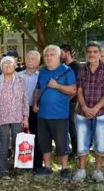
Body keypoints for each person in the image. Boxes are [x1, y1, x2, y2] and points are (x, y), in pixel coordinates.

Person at [73, 43, 104, 183]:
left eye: (95, 52)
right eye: (89, 52)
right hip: (82, 112)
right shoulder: (81, 70)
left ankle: (98, 171)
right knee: (82, 143)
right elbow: (79, 90)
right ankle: (81, 171)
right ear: (87, 54)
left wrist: (96, 108)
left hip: (102, 112)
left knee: (101, 143)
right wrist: (84, 107)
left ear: (99, 53)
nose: (92, 54)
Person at [32, 45, 76, 179]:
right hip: (42, 114)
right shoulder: (42, 72)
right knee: (44, 142)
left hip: (60, 114)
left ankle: (64, 168)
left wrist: (57, 86)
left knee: (62, 142)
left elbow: (74, 90)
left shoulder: (67, 71)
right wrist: (35, 103)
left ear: (58, 56)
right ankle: (47, 167)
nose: (49, 57)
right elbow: (38, 89)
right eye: (46, 55)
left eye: (52, 55)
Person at [0, 56, 29, 179]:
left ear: (15, 66)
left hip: (18, 117)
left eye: (10, 63)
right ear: (1, 67)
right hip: (1, 118)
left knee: (17, 143)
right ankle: (3, 170)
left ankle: (18, 168)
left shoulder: (21, 80)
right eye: (5, 63)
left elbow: (25, 99)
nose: (8, 65)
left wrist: (25, 117)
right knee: (2, 144)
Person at [17, 51, 42, 171]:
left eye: (33, 59)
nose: (30, 61)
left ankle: (37, 164)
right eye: (28, 58)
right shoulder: (18, 75)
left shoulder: (41, 75)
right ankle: (24, 163)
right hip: (20, 111)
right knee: (22, 136)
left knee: (37, 136)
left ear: (38, 62)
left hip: (36, 110)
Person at [60, 44, 80, 159]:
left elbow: (76, 88)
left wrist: (67, 99)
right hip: (62, 101)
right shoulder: (62, 66)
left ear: (67, 53)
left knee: (71, 125)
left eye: (61, 53)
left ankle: (76, 151)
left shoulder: (75, 67)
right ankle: (64, 149)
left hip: (71, 101)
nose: (59, 55)